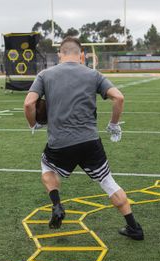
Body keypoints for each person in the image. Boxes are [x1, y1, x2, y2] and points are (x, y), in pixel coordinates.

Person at [24, 37, 144, 240]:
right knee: (107, 182)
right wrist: (113, 125)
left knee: (47, 168)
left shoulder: (45, 75)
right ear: (82, 55)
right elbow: (119, 97)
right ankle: (134, 227)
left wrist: (33, 123)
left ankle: (57, 205)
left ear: (59, 54)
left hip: (59, 144)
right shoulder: (93, 74)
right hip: (90, 142)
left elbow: (28, 104)